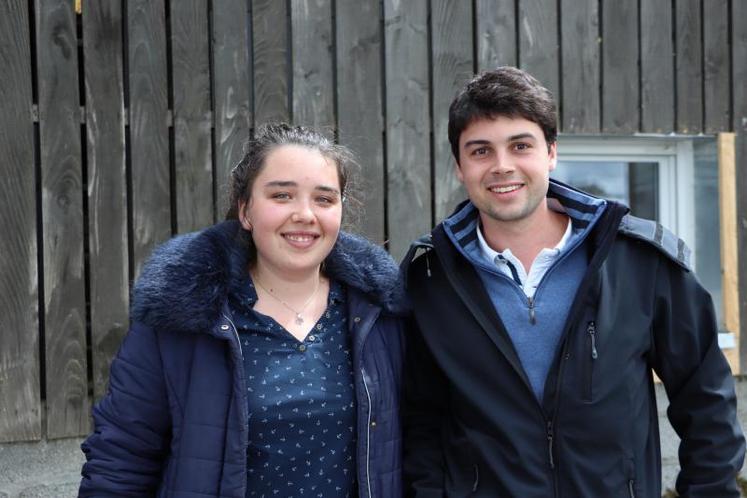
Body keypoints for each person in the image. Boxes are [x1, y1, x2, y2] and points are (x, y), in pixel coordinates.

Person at [402, 66, 745, 497]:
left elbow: (706, 399)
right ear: (459, 167)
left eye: (520, 146)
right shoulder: (431, 278)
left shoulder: (637, 261)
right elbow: (421, 424)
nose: (502, 166)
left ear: (550, 153)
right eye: (481, 151)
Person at [79, 123, 406, 497]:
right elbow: (121, 456)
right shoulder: (183, 317)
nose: (305, 214)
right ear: (246, 211)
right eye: (282, 196)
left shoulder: (382, 314)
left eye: (324, 199)